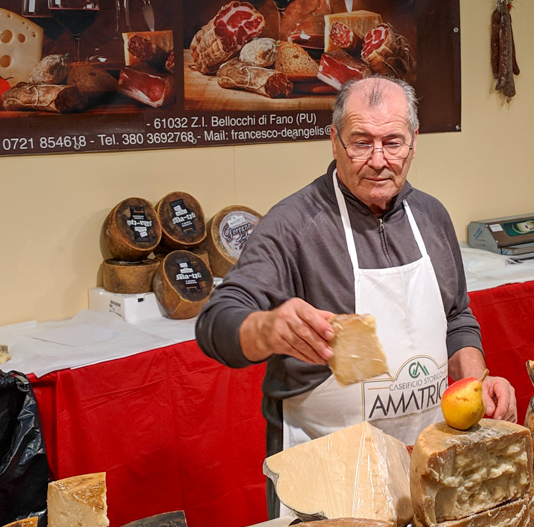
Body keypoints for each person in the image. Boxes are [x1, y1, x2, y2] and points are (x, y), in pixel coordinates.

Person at [195, 74, 517, 457]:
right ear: (334, 141)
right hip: (327, 469)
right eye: (361, 143)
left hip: (427, 460)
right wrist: (267, 328)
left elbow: (456, 317)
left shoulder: (432, 216)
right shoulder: (293, 224)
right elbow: (215, 321)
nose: (378, 161)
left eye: (392, 143)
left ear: (414, 142)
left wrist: (476, 380)